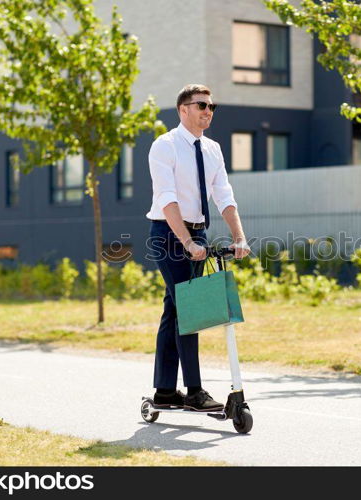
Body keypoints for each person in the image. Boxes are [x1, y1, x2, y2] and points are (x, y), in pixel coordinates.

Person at [146, 83, 250, 411]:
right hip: (169, 234)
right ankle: (193, 391)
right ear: (183, 110)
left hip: (198, 236)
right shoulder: (165, 146)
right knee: (190, 309)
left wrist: (239, 237)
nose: (208, 111)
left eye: (211, 106)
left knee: (175, 309)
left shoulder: (213, 149)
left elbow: (224, 195)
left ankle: (165, 391)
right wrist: (186, 241)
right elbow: (167, 199)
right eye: (201, 105)